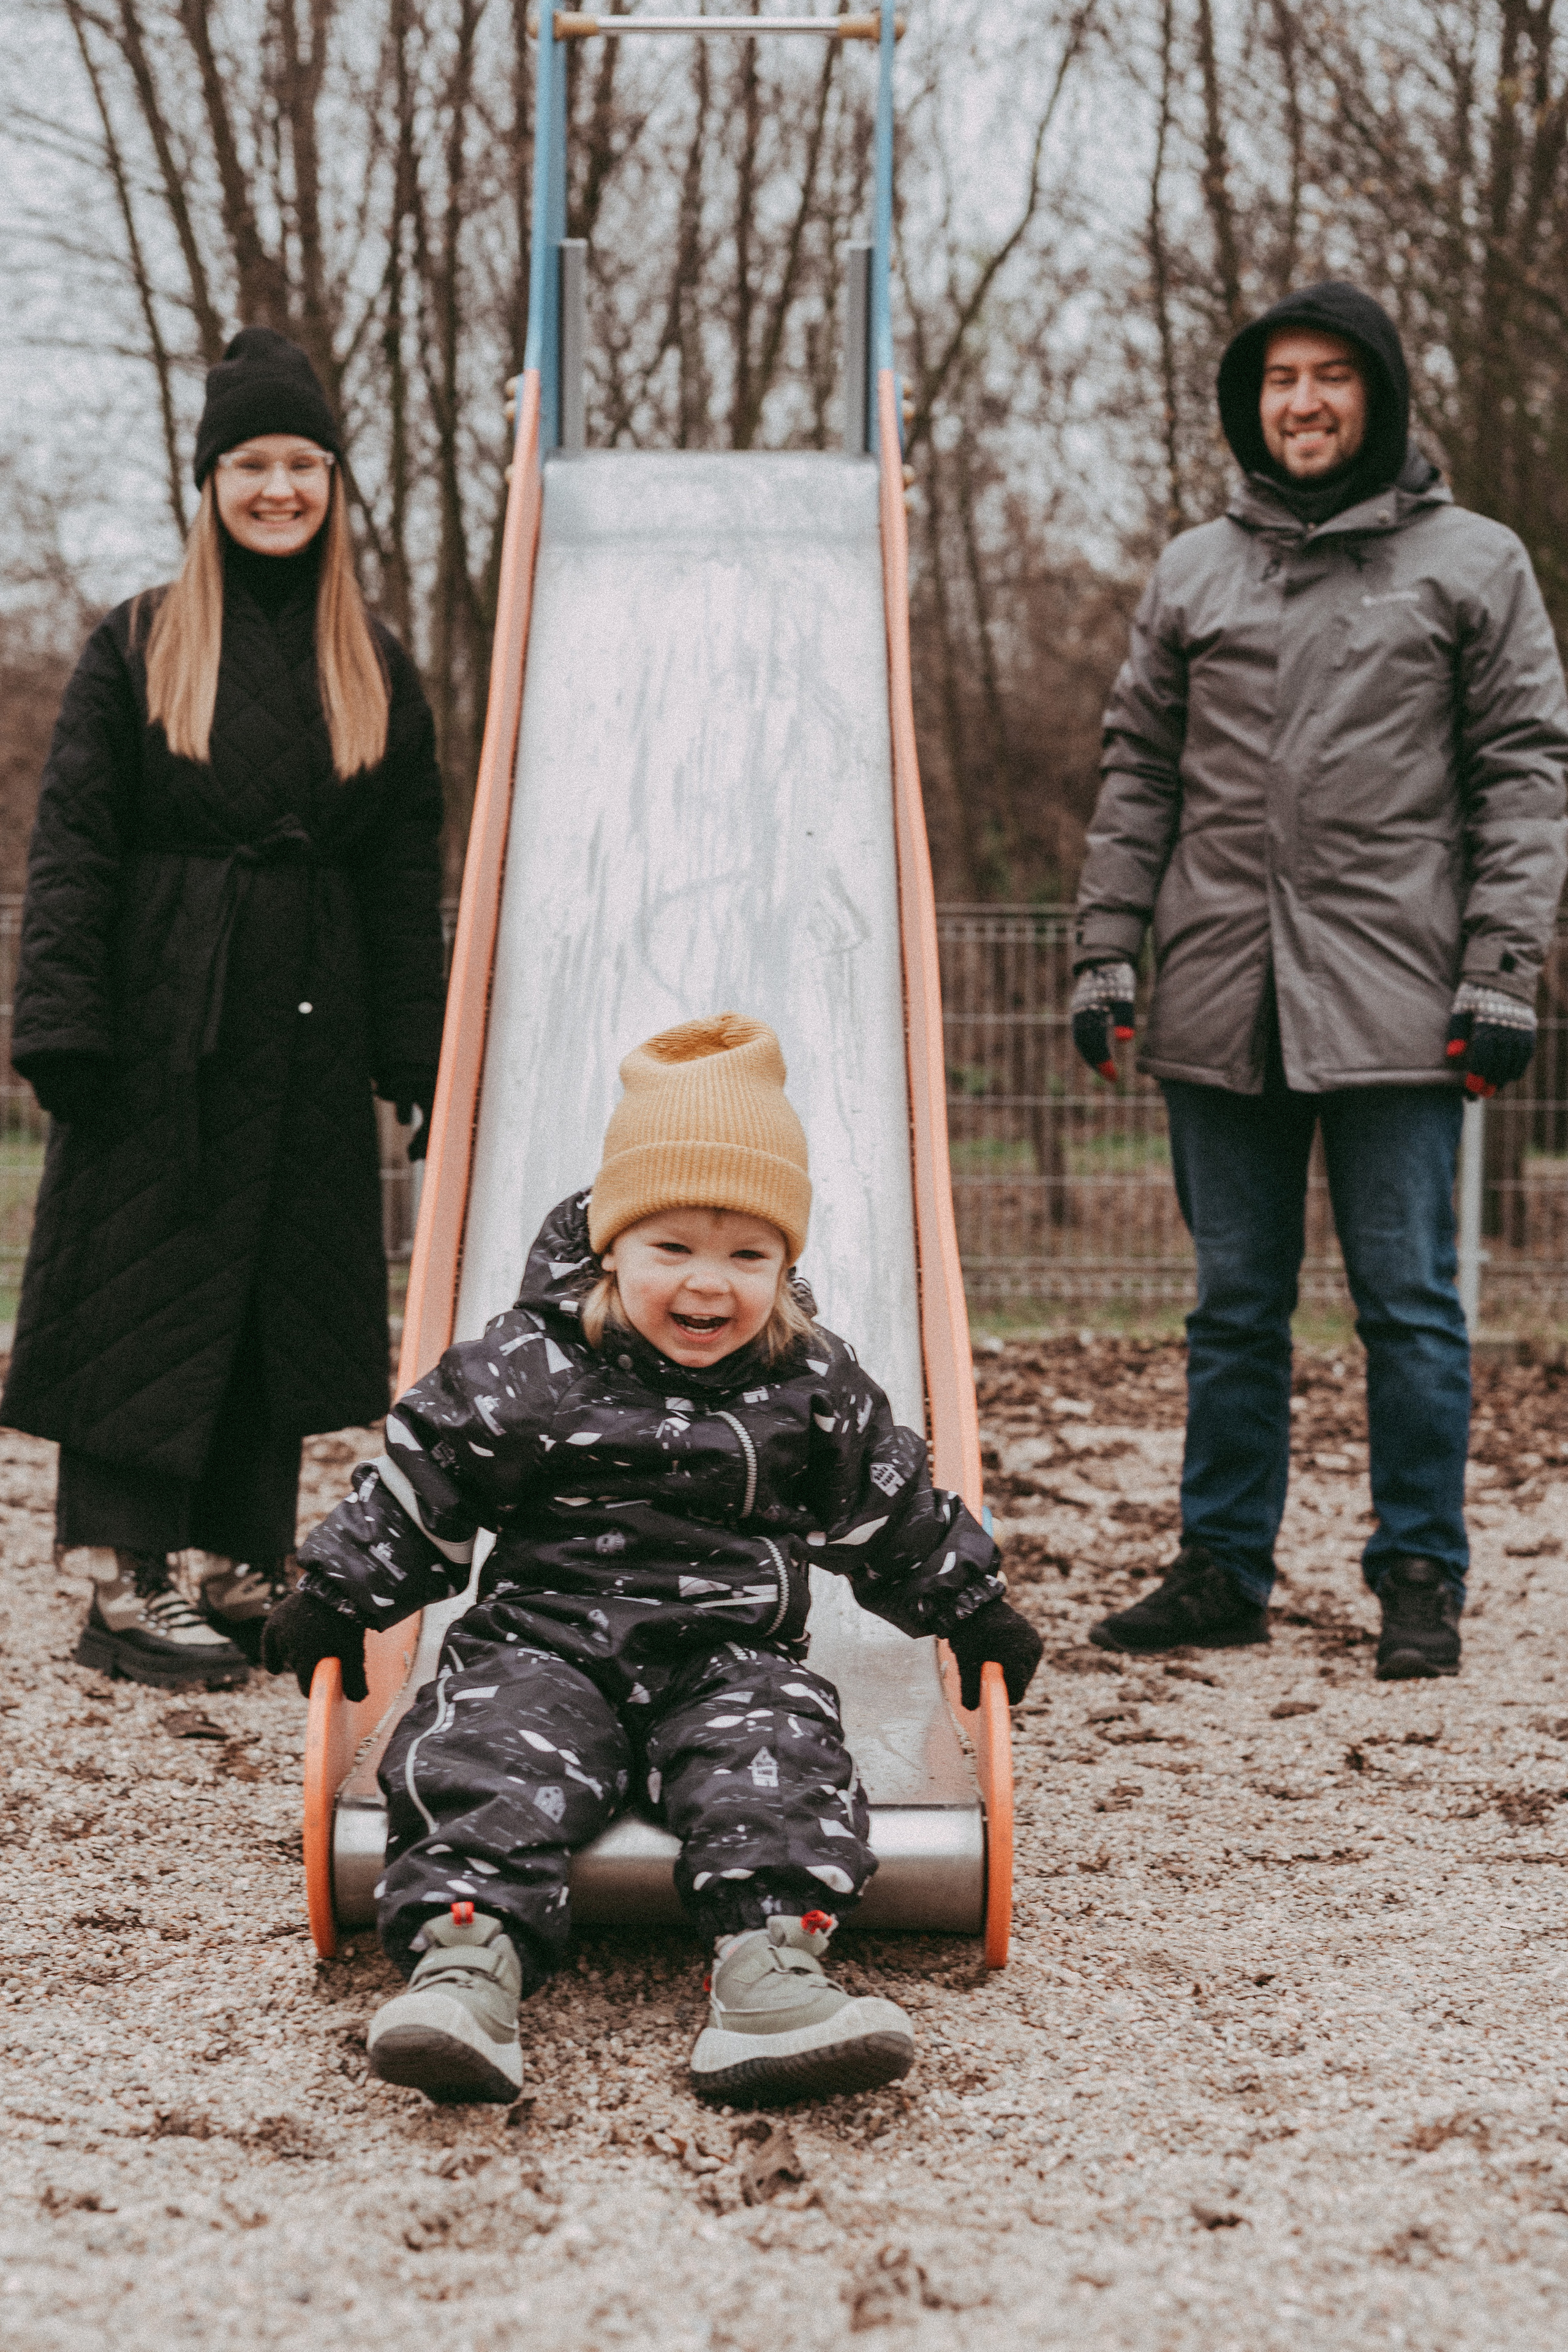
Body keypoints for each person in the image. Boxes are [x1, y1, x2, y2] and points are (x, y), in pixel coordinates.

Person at [263, 1012, 1042, 2105]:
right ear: (611, 1246)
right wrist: (339, 1593)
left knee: (782, 1757)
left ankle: (771, 1979)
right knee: (483, 1754)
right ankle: (464, 1972)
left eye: (748, 1255)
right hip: (546, 1645)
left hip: (728, 1656)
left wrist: (970, 1605)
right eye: (671, 1249)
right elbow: (424, 1478)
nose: (708, 1286)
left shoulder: (810, 1385)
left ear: (787, 1262)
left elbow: (891, 1506)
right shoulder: (529, 1366)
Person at [1071, 281, 1568, 1683]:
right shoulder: (1191, 571)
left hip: (1399, 999)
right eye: (1278, 378)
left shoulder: (1473, 562)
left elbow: (1523, 773)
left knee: (1407, 1303)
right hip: (1221, 994)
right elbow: (1138, 771)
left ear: (1379, 397)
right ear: (1251, 404)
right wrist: (1107, 946)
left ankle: (1418, 1572)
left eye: (1329, 377)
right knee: (1232, 1305)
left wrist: (1501, 968)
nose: (1301, 401)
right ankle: (1222, 1566)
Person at [2, 328, 446, 1689]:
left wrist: (410, 1043)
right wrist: (61, 1021)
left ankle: (239, 1559)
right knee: (147, 1279)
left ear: (331, 481)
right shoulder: (139, 642)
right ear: (208, 481)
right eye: (250, 462)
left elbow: (402, 866)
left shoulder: (367, 657)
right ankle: (124, 1579)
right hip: (160, 1013)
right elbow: (74, 838)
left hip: (308, 1016)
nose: (276, 488)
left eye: (300, 462)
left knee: (275, 1286)